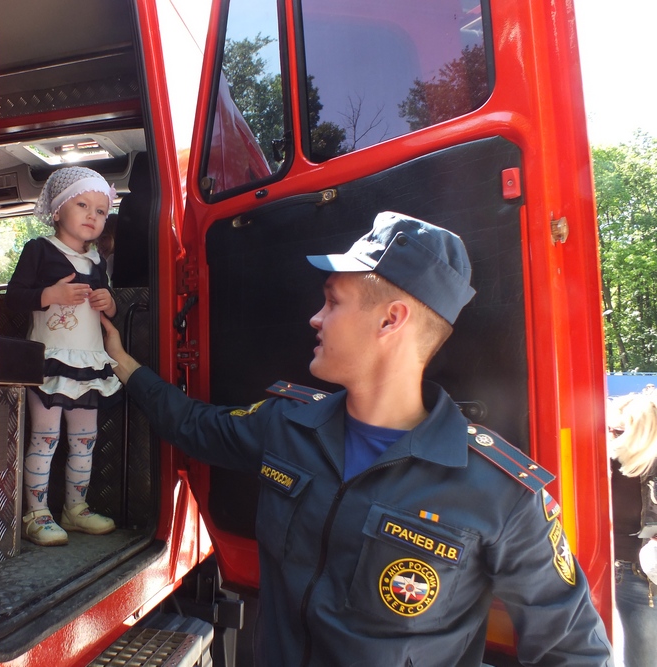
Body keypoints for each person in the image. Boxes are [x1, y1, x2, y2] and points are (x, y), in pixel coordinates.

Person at [100, 211, 611, 665]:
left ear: (391, 319)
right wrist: (124, 364)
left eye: (331, 301)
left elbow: (573, 650)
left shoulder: (502, 494)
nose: (315, 318)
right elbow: (194, 427)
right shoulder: (288, 425)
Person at [6, 166, 122, 547]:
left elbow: (105, 310)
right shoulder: (39, 250)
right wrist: (49, 296)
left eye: (101, 211)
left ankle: (77, 508)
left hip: (89, 362)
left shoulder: (97, 264)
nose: (93, 216)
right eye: (83, 205)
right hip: (50, 360)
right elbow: (15, 298)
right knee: (45, 437)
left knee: (85, 440)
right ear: (57, 211)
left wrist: (110, 303)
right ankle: (36, 514)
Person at [608, 392, 657, 667]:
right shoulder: (608, 465)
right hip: (630, 571)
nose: (610, 435)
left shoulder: (615, 466)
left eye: (616, 430)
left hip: (637, 572)